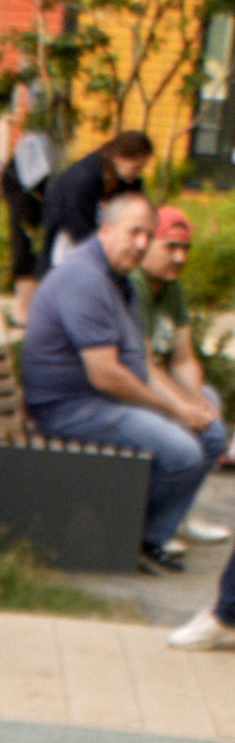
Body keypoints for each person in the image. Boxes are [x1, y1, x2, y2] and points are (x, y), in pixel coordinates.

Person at [18, 184, 227, 572]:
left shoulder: (117, 277)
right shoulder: (87, 278)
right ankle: (124, 537)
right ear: (106, 228)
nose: (141, 243)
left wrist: (188, 404)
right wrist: (173, 408)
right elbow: (107, 376)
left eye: (148, 235)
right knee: (183, 452)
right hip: (71, 409)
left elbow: (139, 362)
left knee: (211, 432)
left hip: (99, 401)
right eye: (133, 232)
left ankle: (147, 540)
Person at [133, 203, 232, 544]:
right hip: (132, 390)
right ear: (145, 243)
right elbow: (142, 365)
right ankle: (152, 529)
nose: (179, 257)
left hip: (157, 384)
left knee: (212, 413)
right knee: (200, 433)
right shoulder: (135, 284)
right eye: (170, 247)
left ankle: (173, 518)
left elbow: (183, 359)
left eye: (185, 248)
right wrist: (184, 407)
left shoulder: (170, 287)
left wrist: (199, 402)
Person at [39, 120, 155, 264]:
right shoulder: (83, 179)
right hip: (67, 244)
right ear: (118, 157)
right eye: (136, 168)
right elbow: (77, 226)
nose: (137, 174)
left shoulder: (128, 180)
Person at [0, 76, 53, 318]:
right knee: (22, 239)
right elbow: (6, 135)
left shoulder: (51, 104)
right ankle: (23, 307)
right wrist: (0, 170)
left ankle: (34, 307)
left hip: (44, 176)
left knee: (40, 240)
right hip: (20, 175)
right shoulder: (12, 113)